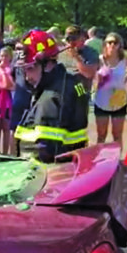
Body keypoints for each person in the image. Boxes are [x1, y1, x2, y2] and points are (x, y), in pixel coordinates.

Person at [14, 29, 89, 163]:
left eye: (31, 68)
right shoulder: (64, 83)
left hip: (46, 176)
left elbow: (45, 152)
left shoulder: (52, 97)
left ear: (47, 63)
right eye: (24, 70)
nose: (27, 77)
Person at [93, 32, 127, 143]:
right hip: (101, 101)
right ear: (105, 44)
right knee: (101, 134)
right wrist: (97, 80)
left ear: (119, 45)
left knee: (117, 134)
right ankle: (101, 159)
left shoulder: (123, 59)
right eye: (109, 42)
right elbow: (91, 76)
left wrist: (126, 78)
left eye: (115, 43)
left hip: (119, 102)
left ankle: (116, 159)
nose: (112, 45)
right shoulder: (100, 60)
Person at [63, 25, 99, 92]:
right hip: (63, 90)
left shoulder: (91, 53)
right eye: (69, 40)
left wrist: (77, 58)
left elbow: (89, 74)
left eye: (74, 39)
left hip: (80, 90)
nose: (71, 43)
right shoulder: (61, 53)